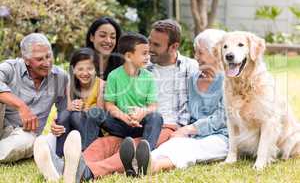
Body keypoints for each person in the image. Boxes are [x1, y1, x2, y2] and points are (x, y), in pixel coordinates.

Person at [31, 19, 198, 182]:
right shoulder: (141, 68)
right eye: (148, 45)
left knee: (134, 146)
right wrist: (65, 115)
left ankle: (89, 172)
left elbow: (203, 102)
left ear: (174, 46)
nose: (150, 51)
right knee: (103, 144)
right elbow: (107, 97)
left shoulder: (190, 68)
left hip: (163, 126)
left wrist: (190, 128)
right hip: (125, 123)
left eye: (155, 46)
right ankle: (66, 166)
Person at [127, 29, 228, 174]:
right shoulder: (193, 79)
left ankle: (152, 166)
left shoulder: (228, 82)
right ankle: (137, 162)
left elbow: (222, 118)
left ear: (216, 53)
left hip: (221, 136)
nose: (196, 57)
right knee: (172, 144)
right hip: (193, 134)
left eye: (200, 53)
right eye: (195, 52)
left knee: (191, 150)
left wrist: (189, 129)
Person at [0, 33, 68, 163]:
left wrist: (58, 122)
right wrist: (21, 106)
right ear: (26, 60)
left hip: (24, 135)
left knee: (31, 141)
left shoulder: (60, 77)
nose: (47, 63)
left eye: (49, 56)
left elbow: (65, 110)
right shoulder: (10, 68)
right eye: (39, 59)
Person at [53, 48, 106, 157]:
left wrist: (84, 109)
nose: (85, 73)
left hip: (94, 130)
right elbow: (67, 109)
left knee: (76, 116)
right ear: (73, 69)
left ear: (96, 69)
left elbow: (99, 114)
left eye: (90, 69)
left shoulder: (101, 85)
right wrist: (72, 106)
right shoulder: (70, 85)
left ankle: (83, 151)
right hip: (74, 128)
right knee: (66, 114)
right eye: (80, 69)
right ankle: (59, 154)